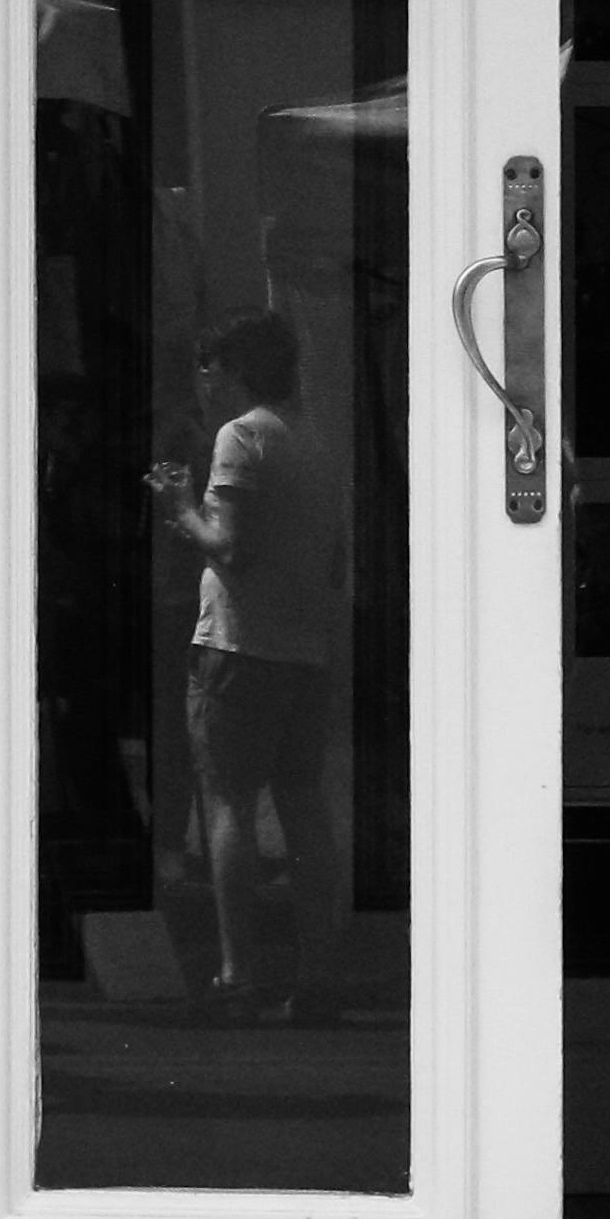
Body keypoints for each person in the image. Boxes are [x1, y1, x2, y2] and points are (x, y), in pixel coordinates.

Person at [146, 307, 342, 1026]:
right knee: (302, 805)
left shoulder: (241, 436)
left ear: (237, 368)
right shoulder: (315, 442)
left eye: (215, 367)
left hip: (235, 647)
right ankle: (318, 974)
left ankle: (238, 972)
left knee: (226, 804)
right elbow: (334, 558)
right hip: (303, 651)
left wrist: (177, 505)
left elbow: (225, 544)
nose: (209, 382)